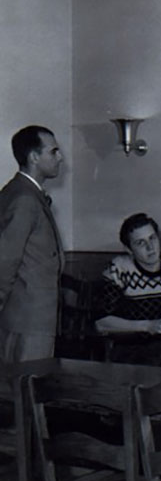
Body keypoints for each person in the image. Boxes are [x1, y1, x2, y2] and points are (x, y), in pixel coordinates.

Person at [94, 213, 161, 368]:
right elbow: (101, 323)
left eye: (153, 238)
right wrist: (148, 326)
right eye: (140, 243)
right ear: (129, 249)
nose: (150, 247)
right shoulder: (118, 270)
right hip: (133, 351)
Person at [0, 125, 64, 361]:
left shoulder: (19, 192)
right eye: (53, 152)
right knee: (27, 389)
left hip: (27, 319)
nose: (61, 157)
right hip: (29, 322)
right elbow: (5, 259)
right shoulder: (25, 198)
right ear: (34, 157)